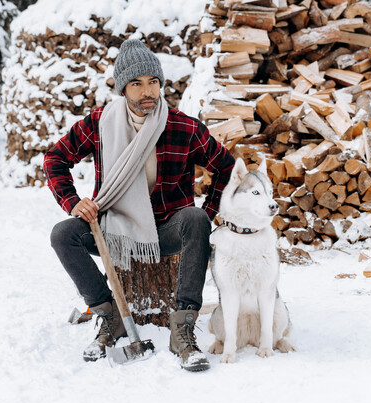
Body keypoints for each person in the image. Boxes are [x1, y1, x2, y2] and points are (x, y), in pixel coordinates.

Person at [43, 39, 235, 372]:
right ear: (123, 89)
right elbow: (55, 158)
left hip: (167, 229)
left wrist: (208, 213)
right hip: (113, 229)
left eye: (153, 82)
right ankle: (109, 315)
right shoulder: (100, 123)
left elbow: (225, 165)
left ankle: (182, 329)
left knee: (194, 219)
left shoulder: (183, 126)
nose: (147, 91)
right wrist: (73, 203)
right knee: (63, 234)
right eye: (137, 84)